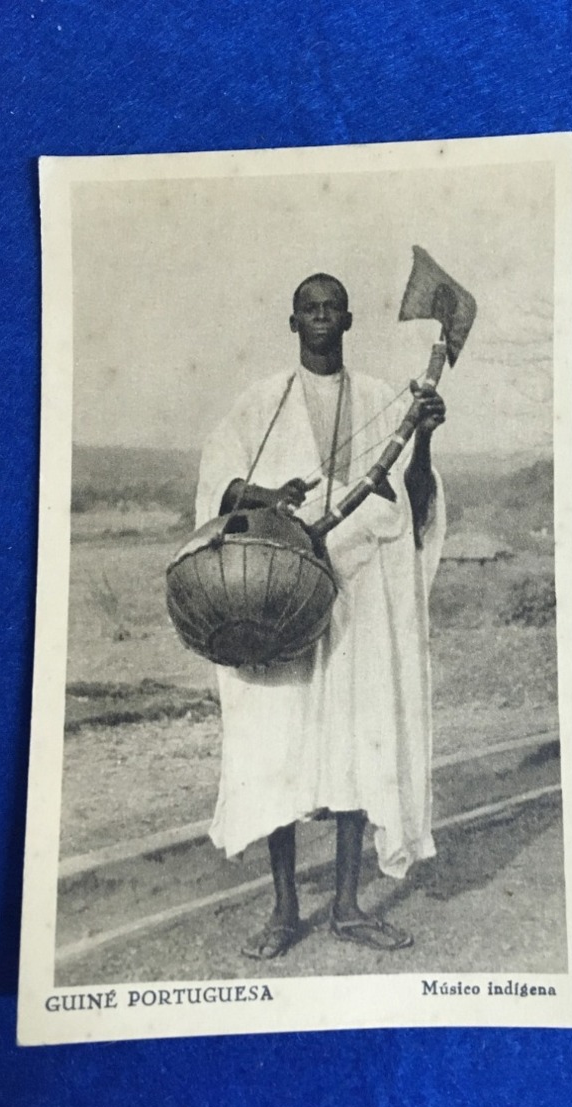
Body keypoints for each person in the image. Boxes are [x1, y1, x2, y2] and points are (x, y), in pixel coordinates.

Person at [194, 273, 446, 958]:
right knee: (276, 740)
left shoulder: (378, 400)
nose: (321, 319)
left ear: (349, 320)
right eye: (310, 309)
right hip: (279, 598)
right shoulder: (261, 403)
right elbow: (219, 480)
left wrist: (419, 438)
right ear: (292, 322)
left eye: (332, 309)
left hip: (358, 599)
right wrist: (269, 493)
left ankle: (347, 905)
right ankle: (282, 911)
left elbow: (414, 505)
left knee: (356, 740)